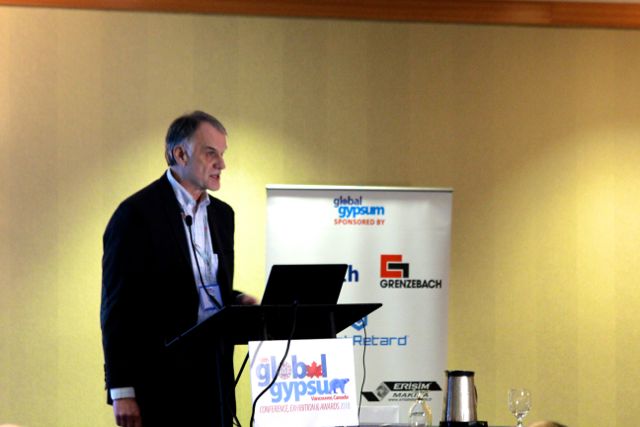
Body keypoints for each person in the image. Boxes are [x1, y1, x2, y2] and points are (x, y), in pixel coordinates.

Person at [100, 111, 257, 427]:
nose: (222, 164)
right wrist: (122, 389)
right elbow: (118, 307)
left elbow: (201, 286)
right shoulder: (136, 214)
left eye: (222, 154)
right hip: (160, 383)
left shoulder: (223, 216)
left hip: (215, 379)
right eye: (211, 153)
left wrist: (236, 299)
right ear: (180, 154)